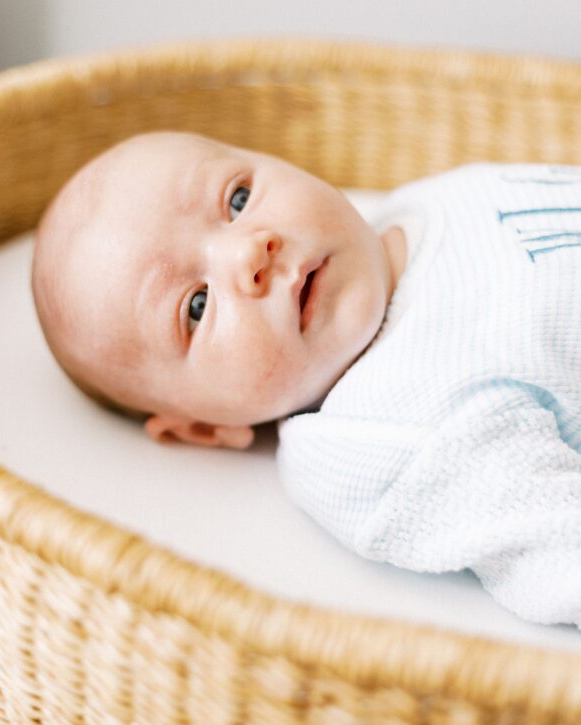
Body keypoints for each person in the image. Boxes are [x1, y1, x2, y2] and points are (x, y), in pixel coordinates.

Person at [32, 131, 581, 629]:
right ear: (203, 427)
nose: (250, 249)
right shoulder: (382, 434)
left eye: (238, 199)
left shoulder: (418, 205)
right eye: (197, 306)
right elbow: (556, 546)